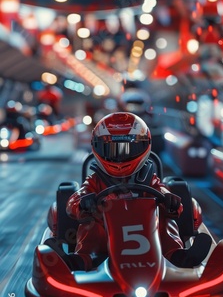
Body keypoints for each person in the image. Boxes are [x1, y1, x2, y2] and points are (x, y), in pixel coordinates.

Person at [66, 112, 211, 271]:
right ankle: (83, 258)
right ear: (97, 147)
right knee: (90, 225)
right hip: (106, 237)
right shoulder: (95, 181)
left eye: (129, 149)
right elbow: (74, 200)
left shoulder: (149, 178)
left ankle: (177, 255)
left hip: (148, 231)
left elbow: (162, 191)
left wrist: (170, 201)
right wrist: (83, 204)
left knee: (166, 220)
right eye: (111, 149)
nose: (120, 158)